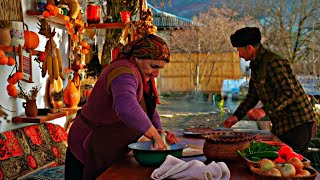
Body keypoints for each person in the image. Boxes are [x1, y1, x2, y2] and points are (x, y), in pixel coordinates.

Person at [65, 34, 179, 180]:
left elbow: (150, 110)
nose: (156, 73)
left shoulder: (144, 76)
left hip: (111, 146)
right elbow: (126, 107)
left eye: (160, 68)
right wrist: (155, 137)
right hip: (89, 144)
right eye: (153, 66)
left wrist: (160, 134)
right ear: (138, 57)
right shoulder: (123, 73)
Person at [224, 27, 316, 155]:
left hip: (297, 123)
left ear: (249, 48)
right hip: (282, 124)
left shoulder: (273, 62)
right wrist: (236, 116)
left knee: (291, 163)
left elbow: (289, 93)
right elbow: (252, 96)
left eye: (239, 50)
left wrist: (264, 110)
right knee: (278, 162)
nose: (239, 54)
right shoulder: (256, 65)